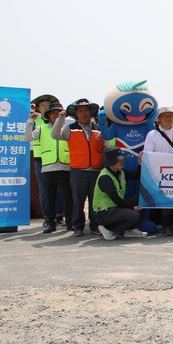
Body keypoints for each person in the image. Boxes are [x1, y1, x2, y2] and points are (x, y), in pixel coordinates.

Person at [51, 99, 105, 237]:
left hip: (96, 170)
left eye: (86, 110)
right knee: (78, 200)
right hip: (78, 171)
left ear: (91, 112)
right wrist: (60, 118)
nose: (83, 113)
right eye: (80, 111)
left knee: (95, 201)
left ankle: (95, 225)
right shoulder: (70, 128)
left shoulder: (98, 129)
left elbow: (105, 146)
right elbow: (54, 135)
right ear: (75, 113)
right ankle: (78, 227)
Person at [25, 102, 73, 234]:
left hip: (66, 165)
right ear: (49, 115)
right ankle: (50, 223)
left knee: (68, 196)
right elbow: (28, 137)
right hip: (48, 166)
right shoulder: (41, 128)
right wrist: (30, 121)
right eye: (53, 113)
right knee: (49, 196)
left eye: (59, 112)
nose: (56, 115)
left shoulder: (68, 128)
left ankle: (70, 222)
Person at [143, 106, 173, 236]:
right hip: (161, 172)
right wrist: (166, 157)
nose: (168, 118)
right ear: (159, 119)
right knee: (166, 199)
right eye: (165, 116)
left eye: (170, 116)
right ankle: (166, 226)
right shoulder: (152, 134)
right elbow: (148, 153)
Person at [93, 147, 148, 240]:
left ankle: (131, 230)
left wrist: (140, 162)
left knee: (141, 199)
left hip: (115, 207)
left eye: (122, 159)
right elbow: (117, 200)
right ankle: (107, 228)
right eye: (118, 160)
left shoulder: (120, 172)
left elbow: (136, 175)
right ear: (110, 162)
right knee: (134, 215)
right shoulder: (105, 177)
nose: (122, 162)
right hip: (104, 212)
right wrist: (132, 208)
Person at [29, 93, 60, 223]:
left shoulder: (59, 120)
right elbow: (28, 136)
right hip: (40, 158)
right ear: (38, 108)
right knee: (44, 189)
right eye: (43, 105)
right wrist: (30, 120)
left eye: (48, 105)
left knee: (60, 189)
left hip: (58, 158)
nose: (46, 107)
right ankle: (47, 217)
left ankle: (59, 215)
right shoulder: (35, 121)